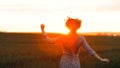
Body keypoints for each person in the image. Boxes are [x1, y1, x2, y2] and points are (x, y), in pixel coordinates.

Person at [40, 17, 109, 68]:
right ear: (68, 26)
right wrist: (43, 30)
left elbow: (90, 50)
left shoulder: (80, 38)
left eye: (75, 24)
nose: (73, 26)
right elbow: (50, 41)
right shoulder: (64, 37)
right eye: (72, 24)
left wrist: (101, 59)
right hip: (66, 63)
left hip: (74, 64)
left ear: (77, 26)